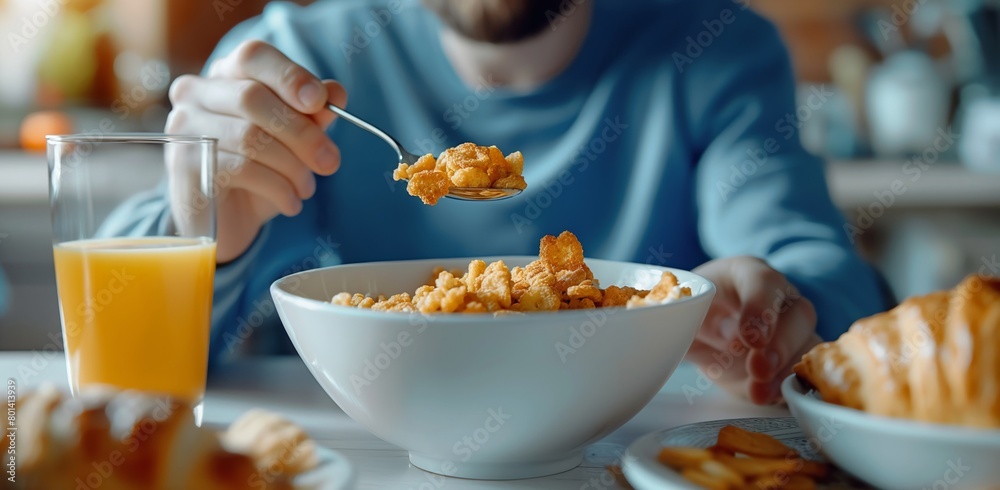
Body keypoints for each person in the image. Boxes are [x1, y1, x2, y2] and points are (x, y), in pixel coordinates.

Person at [127, 0, 889, 404]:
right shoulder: (300, 64)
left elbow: (827, 275)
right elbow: (119, 358)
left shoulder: (716, 47)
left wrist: (780, 305)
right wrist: (202, 230)